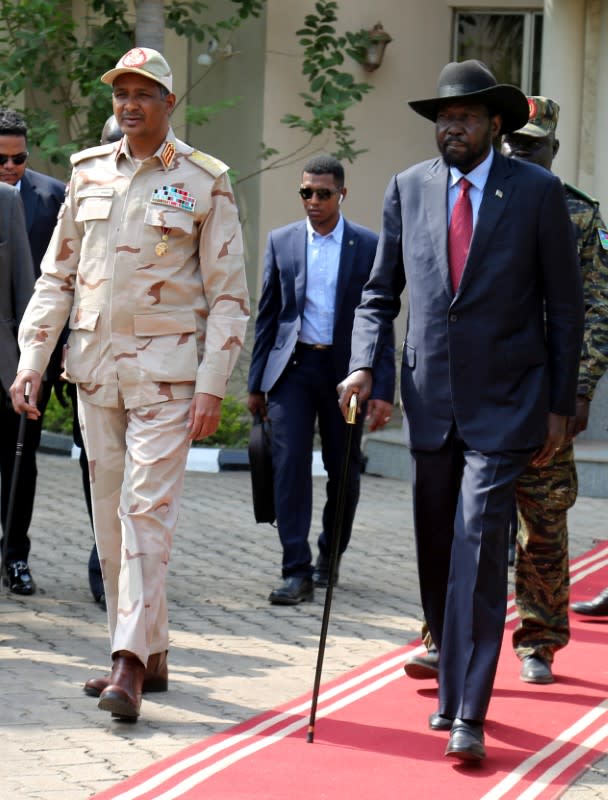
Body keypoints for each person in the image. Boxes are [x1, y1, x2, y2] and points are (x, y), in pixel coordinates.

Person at [338, 60, 584, 763]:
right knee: (440, 549)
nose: (452, 126)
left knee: (478, 546)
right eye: (444, 117)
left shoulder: (536, 193)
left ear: (494, 124)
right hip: (431, 400)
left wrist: (561, 407)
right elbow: (379, 293)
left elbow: (564, 309)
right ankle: (447, 669)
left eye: (466, 116)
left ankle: (467, 710)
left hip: (509, 404)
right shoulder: (408, 189)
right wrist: (364, 363)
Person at [10, 47, 249, 722]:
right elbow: (56, 278)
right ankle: (156, 647)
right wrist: (32, 360)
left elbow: (229, 298)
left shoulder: (205, 181)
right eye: (122, 93)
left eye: (145, 94)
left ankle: (128, 664)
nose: (131, 104)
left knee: (146, 516)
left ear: (170, 104)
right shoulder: (87, 175)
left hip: (168, 382)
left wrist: (212, 384)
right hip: (95, 374)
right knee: (112, 521)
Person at [403, 96, 608, 687]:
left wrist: (576, 393)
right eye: (516, 145)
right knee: (465, 522)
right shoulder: (459, 194)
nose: (524, 155)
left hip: (544, 396)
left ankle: (539, 638)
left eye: (535, 146)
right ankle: (443, 635)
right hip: (482, 393)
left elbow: (595, 309)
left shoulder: (577, 215)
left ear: (555, 150)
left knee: (541, 521)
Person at [247, 155, 395, 605]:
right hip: (292, 371)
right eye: (306, 192)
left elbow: (382, 321)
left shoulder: (368, 246)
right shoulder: (283, 242)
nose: (313, 200)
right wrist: (256, 385)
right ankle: (296, 569)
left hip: (345, 375)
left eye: (323, 193)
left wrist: (383, 389)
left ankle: (328, 558)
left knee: (344, 471)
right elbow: (268, 315)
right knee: (289, 465)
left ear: (342, 195)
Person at [0, 108, 66, 595]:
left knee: (20, 463)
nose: (9, 167)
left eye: (18, 158)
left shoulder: (52, 197)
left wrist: (48, 358)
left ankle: (15, 556)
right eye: (2, 159)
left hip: (23, 358)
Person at [0, 182, 36, 578]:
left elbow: (25, 288)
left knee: (17, 467)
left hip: (4, 363)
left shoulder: (6, 200)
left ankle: (14, 556)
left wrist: (32, 360)